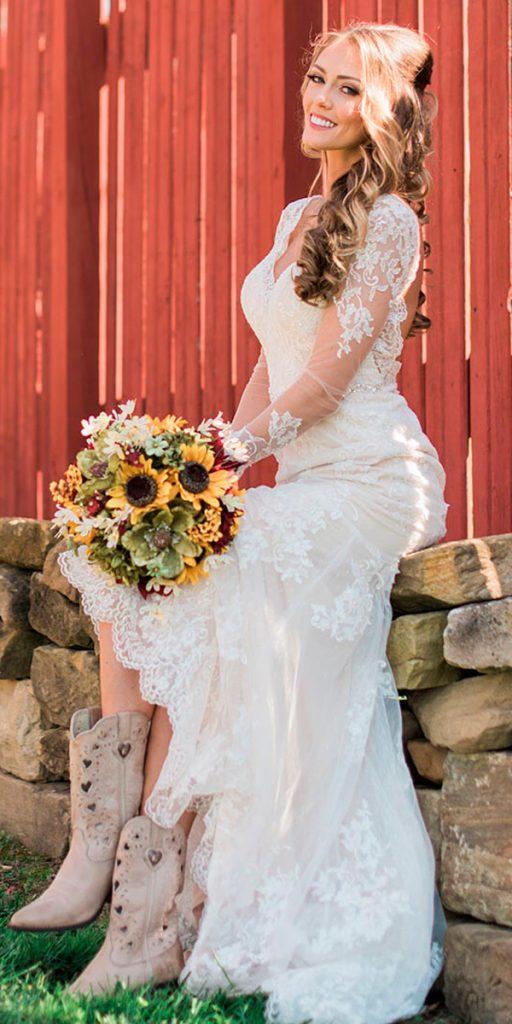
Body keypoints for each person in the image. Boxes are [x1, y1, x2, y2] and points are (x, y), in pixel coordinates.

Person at [10, 20, 449, 1024]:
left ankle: (146, 914)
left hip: (368, 481)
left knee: (199, 572)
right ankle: (104, 852)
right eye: (315, 78)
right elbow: (265, 362)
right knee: (116, 552)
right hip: (291, 477)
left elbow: (330, 374)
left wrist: (221, 459)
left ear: (379, 113)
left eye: (344, 88)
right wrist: (198, 468)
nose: (319, 98)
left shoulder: (385, 219)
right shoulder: (301, 210)